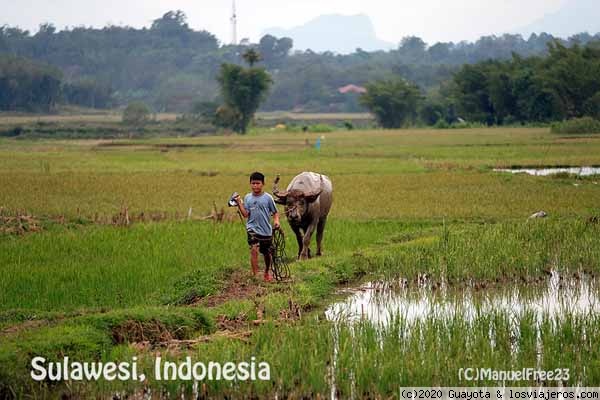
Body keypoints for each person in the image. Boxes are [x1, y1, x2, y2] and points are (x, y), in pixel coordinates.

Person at [234, 172, 280, 282]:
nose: (255, 186)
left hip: (266, 230)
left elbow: (275, 212)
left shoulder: (268, 198)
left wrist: (276, 221)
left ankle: (266, 272)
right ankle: (255, 275)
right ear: (250, 184)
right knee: (254, 249)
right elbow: (246, 214)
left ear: (263, 184)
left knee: (267, 253)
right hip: (252, 228)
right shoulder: (247, 198)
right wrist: (239, 203)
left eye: (258, 183)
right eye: (253, 183)